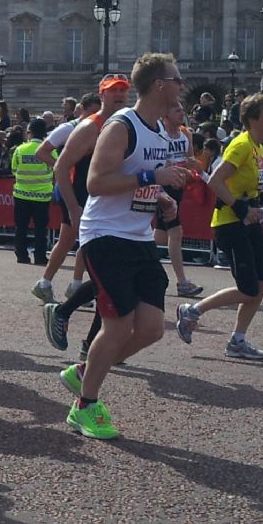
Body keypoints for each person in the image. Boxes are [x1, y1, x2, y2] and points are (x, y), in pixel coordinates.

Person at [59, 53, 190, 440]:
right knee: (117, 327)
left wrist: (159, 196)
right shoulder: (121, 126)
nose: (182, 85)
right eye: (177, 79)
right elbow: (96, 182)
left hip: (138, 236)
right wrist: (154, 176)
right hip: (106, 235)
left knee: (150, 329)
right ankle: (85, 405)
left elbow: (139, 181)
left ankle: (84, 371)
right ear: (159, 84)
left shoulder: (163, 131)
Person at [176, 93, 263, 362]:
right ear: (253, 119)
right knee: (249, 288)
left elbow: (247, 188)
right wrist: (242, 209)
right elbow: (216, 181)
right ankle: (192, 310)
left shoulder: (259, 147)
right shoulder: (240, 145)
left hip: (247, 223)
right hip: (230, 224)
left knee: (262, 282)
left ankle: (238, 340)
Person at [33, 83, 125, 307]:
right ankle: (49, 283)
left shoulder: (115, 125)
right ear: (83, 109)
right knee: (69, 239)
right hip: (75, 189)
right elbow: (42, 151)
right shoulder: (75, 127)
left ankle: (72, 284)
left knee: (83, 240)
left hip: (89, 189)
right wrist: (61, 167)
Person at [155, 99, 202, 299]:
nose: (182, 113)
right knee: (176, 232)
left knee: (157, 235)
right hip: (162, 187)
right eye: (177, 110)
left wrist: (193, 169)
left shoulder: (185, 133)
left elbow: (191, 162)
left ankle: (130, 265)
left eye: (182, 110)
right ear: (166, 114)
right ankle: (182, 282)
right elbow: (158, 163)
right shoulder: (159, 134)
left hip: (178, 187)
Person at [10, 117, 52, 266]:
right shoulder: (49, 150)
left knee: (21, 227)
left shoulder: (20, 149)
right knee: (41, 229)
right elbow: (56, 168)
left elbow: (14, 169)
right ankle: (40, 257)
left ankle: (22, 255)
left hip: (21, 195)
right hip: (42, 196)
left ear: (30, 132)